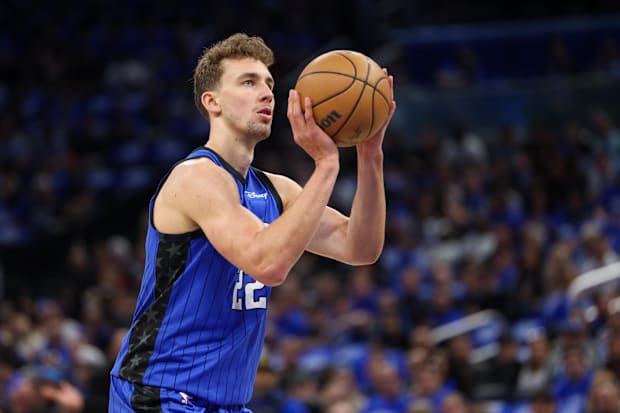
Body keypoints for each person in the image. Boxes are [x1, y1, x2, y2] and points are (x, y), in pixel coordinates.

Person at [108, 32, 396, 413]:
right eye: (248, 82)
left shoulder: (276, 190)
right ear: (212, 102)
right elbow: (268, 263)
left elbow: (360, 247)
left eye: (269, 83)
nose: (266, 92)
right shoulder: (195, 178)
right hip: (159, 394)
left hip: (227, 404)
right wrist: (326, 166)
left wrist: (370, 155)